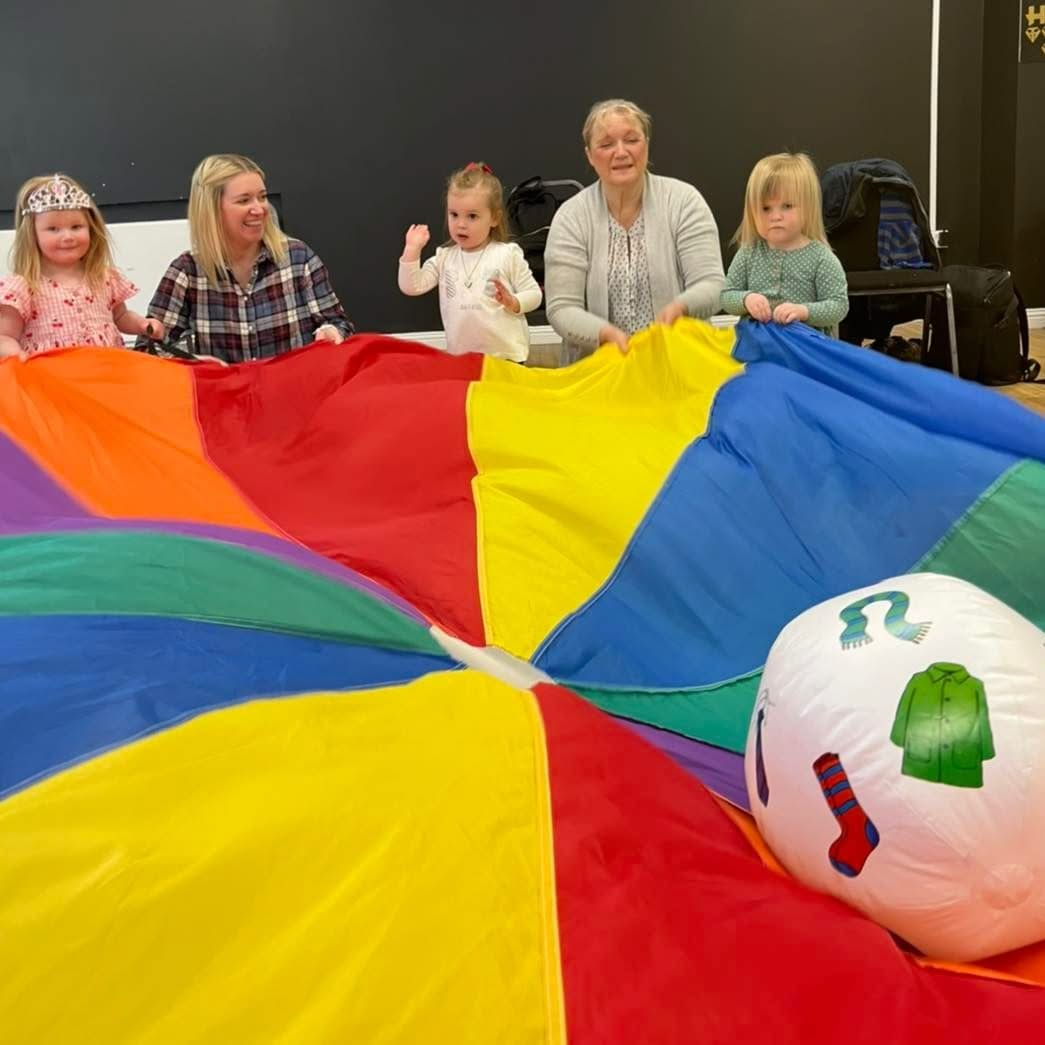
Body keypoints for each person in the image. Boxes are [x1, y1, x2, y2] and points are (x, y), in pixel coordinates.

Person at [544, 98, 725, 362]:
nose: (620, 152)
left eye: (632, 140)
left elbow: (713, 284)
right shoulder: (571, 217)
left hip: (679, 364)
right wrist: (604, 334)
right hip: (599, 372)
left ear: (647, 145)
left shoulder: (685, 201)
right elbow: (562, 308)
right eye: (606, 144)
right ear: (590, 156)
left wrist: (680, 307)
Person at [142, 154, 352, 364]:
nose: (259, 209)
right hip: (227, 395)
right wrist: (190, 365)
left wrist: (331, 332)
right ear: (212, 210)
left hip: (294, 392)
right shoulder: (186, 271)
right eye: (244, 200)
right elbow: (147, 349)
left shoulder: (298, 257)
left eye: (262, 197)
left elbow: (340, 325)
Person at [0, 174, 162, 360]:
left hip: (106, 372)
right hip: (52, 379)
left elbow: (120, 316)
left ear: (91, 228)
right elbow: (5, 337)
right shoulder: (23, 288)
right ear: (32, 235)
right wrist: (17, 355)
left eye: (76, 227)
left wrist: (142, 325)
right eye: (53, 229)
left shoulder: (103, 277)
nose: (68, 236)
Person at [398, 162, 541, 362]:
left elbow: (535, 294)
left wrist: (514, 302)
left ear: (494, 218)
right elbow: (412, 286)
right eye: (454, 215)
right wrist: (412, 251)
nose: (461, 224)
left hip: (506, 357)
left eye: (472, 216)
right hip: (462, 358)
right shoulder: (444, 257)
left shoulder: (507, 254)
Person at [720, 152, 848, 333]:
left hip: (806, 349)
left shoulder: (820, 258)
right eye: (765, 208)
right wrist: (746, 299)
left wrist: (803, 311)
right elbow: (726, 295)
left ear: (807, 207)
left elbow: (838, 306)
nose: (776, 217)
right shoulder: (749, 253)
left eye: (787, 206)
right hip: (760, 347)